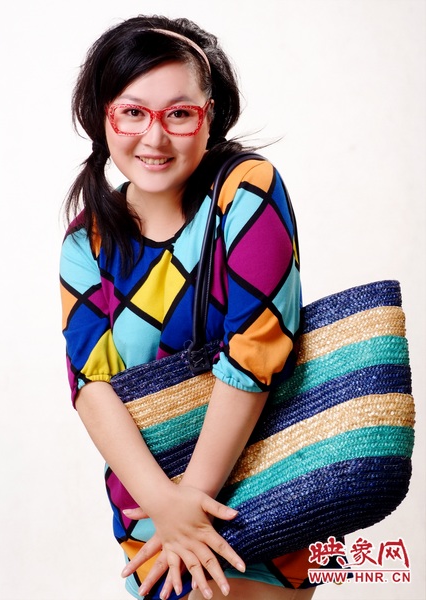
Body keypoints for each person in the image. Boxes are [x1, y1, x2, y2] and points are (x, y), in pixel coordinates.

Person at [60, 15, 318, 600]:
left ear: (210, 116)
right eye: (132, 112)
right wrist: (165, 506)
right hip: (150, 515)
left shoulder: (246, 188)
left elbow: (256, 349)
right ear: (103, 117)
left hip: (270, 490)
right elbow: (90, 384)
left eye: (179, 114)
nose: (154, 138)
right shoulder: (85, 240)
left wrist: (191, 506)